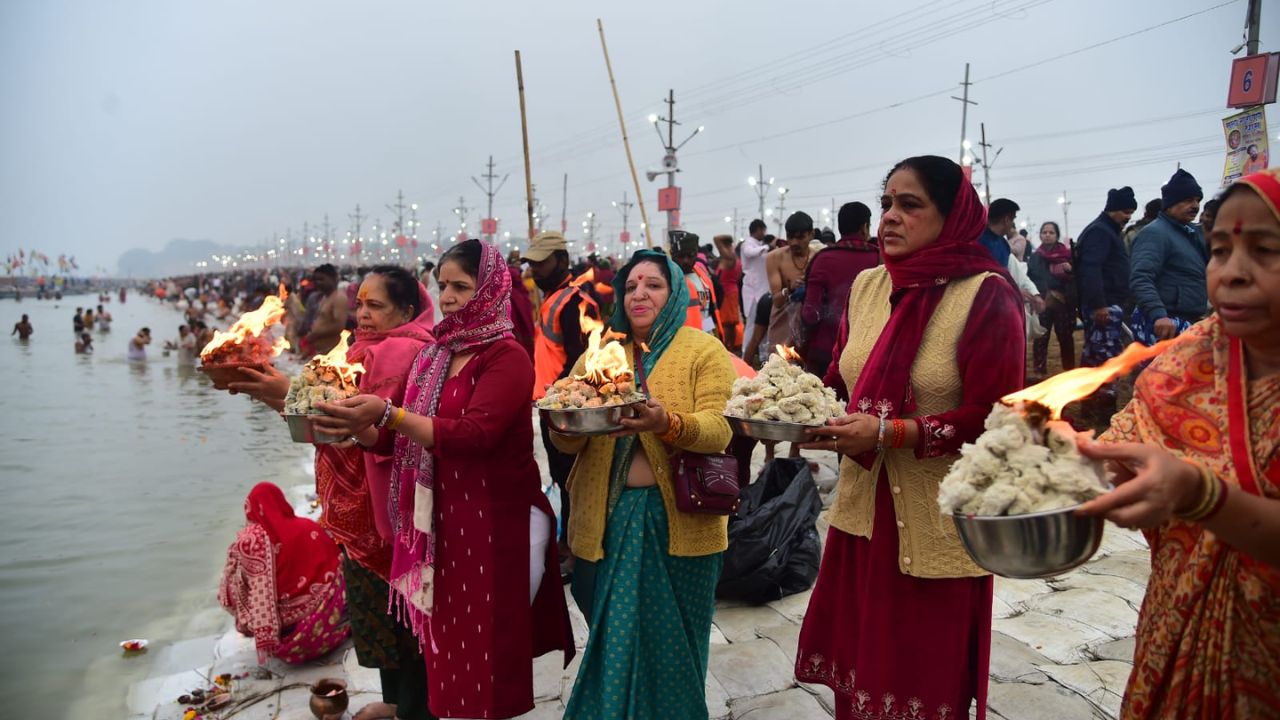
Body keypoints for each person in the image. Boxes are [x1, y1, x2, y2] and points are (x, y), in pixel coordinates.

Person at [795, 155, 1025, 719]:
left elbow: (999, 419)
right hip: (860, 521)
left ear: (952, 215)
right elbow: (841, 381)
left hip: (937, 528)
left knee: (919, 688)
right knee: (862, 685)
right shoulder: (869, 287)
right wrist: (795, 409)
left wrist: (893, 432)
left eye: (910, 204)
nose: (891, 217)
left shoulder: (986, 295)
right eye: (887, 203)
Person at [315, 239, 573, 720]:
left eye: (462, 286)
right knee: (444, 649)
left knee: (487, 654)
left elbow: (475, 434)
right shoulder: (436, 355)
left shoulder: (506, 356)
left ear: (490, 289)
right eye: (444, 286)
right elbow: (402, 443)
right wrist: (361, 430)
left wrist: (389, 414)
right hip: (441, 526)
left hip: (494, 527)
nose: (450, 296)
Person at [1075, 167, 1280, 718]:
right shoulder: (1188, 362)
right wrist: (1068, 460)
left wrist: (1201, 496)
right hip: (1178, 628)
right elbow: (1120, 451)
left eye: (1264, 250)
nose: (1231, 274)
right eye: (1219, 250)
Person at [553, 248, 735, 719]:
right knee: (615, 647)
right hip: (607, 525)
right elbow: (569, 440)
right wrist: (563, 427)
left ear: (674, 294)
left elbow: (720, 429)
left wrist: (666, 423)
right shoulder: (601, 354)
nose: (639, 294)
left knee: (675, 649)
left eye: (653, 285)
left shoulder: (703, 351)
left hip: (680, 528)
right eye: (631, 285)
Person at [523, 230, 600, 576]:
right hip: (549, 403)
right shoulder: (553, 297)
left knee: (571, 478)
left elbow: (579, 359)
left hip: (567, 408)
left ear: (563, 261)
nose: (535, 270)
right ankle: (567, 541)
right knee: (560, 474)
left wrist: (567, 398)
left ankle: (572, 547)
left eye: (542, 263)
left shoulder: (574, 302)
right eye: (532, 264)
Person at [217, 482, 349, 665]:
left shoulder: (247, 544)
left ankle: (270, 633)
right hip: (322, 634)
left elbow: (227, 597)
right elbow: (337, 565)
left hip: (280, 645)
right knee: (341, 565)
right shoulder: (308, 528)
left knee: (237, 576)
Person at [1075, 186, 1138, 428]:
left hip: (1107, 305)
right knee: (1106, 359)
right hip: (1103, 308)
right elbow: (1091, 269)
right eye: (1124, 212)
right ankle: (1104, 410)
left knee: (1094, 357)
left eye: (1131, 212)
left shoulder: (1106, 229)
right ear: (1112, 209)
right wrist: (1100, 304)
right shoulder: (1100, 232)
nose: (1128, 217)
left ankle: (1090, 405)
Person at [801, 201, 880, 376]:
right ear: (864, 227)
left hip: (824, 353)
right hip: (869, 353)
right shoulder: (879, 259)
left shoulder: (822, 258)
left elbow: (810, 314)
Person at [1130, 168, 1208, 344]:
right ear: (1171, 203)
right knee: (1157, 372)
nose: (1195, 206)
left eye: (1197, 200)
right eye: (1189, 200)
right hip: (1164, 323)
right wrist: (1158, 315)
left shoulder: (1191, 233)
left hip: (1185, 320)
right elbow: (1141, 277)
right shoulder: (1155, 233)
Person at [1028, 221, 1077, 377]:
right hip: (1043, 303)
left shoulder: (1068, 256)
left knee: (1065, 338)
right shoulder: (1036, 257)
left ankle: (1069, 371)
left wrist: (1070, 272)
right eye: (1044, 232)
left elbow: (1076, 279)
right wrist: (1042, 295)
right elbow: (1032, 278)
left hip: (1064, 303)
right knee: (1041, 338)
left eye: (1051, 232)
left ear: (1057, 235)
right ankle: (1039, 372)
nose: (1047, 235)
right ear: (1040, 235)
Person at [766, 212, 815, 351]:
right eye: (790, 237)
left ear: (811, 234)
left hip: (808, 325)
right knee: (777, 365)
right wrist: (790, 289)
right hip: (782, 322)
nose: (794, 242)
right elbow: (777, 300)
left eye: (800, 237)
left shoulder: (818, 258)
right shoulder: (775, 258)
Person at [671, 230, 726, 342]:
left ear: (696, 255)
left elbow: (707, 312)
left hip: (705, 339)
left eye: (690, 255)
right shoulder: (668, 281)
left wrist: (710, 334)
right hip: (682, 343)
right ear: (673, 256)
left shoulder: (703, 277)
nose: (685, 260)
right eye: (681, 256)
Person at [307, 264, 350, 355]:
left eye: (321, 279)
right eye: (316, 280)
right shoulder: (325, 297)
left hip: (331, 351)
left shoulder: (339, 298)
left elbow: (339, 326)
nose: (318, 283)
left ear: (333, 278)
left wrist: (316, 334)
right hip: (320, 351)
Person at [713, 233, 743, 352]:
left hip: (726, 293)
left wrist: (727, 239)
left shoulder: (729, 256)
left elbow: (716, 238)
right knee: (730, 323)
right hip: (732, 292)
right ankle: (730, 348)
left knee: (727, 324)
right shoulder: (734, 257)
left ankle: (727, 348)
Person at [740, 219, 771, 330]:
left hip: (762, 289)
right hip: (752, 290)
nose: (764, 233)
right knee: (751, 324)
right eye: (763, 231)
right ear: (758, 230)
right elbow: (749, 253)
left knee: (762, 324)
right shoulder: (747, 244)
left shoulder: (760, 245)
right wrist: (766, 248)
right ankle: (747, 347)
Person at [978, 198, 1020, 266]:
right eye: (1013, 219)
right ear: (1006, 220)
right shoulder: (978, 240)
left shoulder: (1004, 244)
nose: (1013, 224)